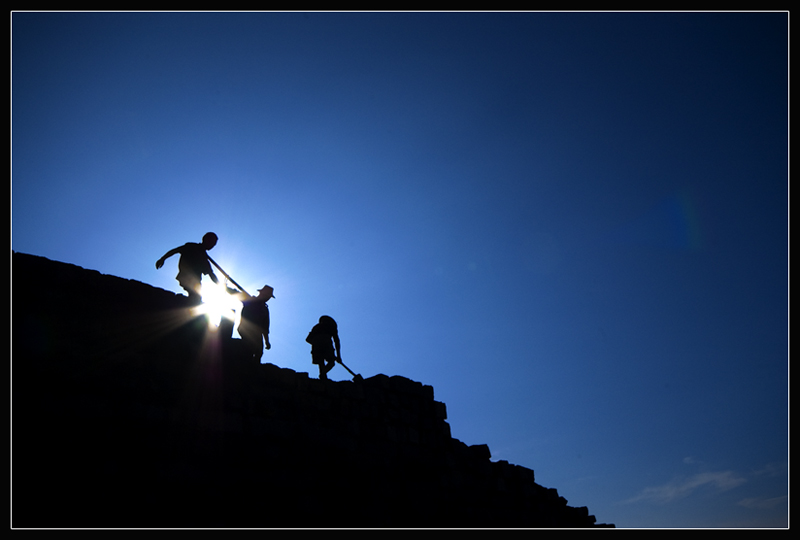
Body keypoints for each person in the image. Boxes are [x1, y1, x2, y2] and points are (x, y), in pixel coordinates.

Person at [155, 232, 219, 303]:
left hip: (196, 281)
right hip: (186, 277)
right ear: (206, 239)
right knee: (195, 298)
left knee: (196, 299)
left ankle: (182, 302)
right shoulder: (191, 246)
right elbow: (175, 250)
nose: (213, 246)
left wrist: (224, 287)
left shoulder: (205, 258)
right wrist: (163, 258)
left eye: (214, 244)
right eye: (212, 243)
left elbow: (211, 274)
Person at [236, 285, 275, 364]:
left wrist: (267, 341)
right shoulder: (250, 300)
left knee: (259, 353)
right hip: (246, 330)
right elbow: (235, 293)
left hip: (257, 334)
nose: (268, 299)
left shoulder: (264, 309)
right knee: (248, 350)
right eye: (267, 296)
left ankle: (253, 369)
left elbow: (265, 327)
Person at [306, 315, 341, 380]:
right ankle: (323, 375)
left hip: (316, 344)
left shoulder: (316, 327)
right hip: (326, 343)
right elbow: (336, 341)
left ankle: (323, 376)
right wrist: (338, 356)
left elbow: (308, 339)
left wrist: (315, 343)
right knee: (331, 362)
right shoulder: (331, 327)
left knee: (320, 362)